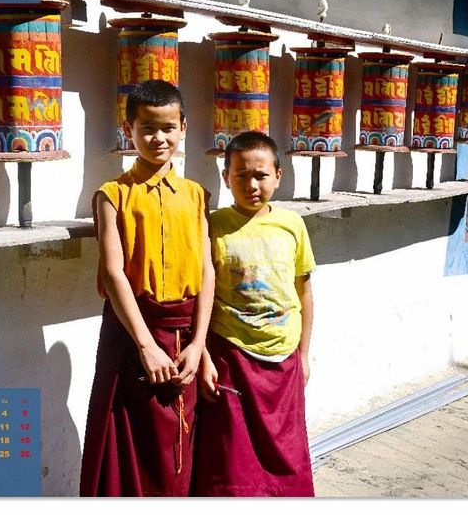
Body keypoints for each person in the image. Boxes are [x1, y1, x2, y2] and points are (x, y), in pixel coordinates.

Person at [79, 80, 214, 497]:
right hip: (133, 334)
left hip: (185, 338)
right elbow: (114, 273)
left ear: (183, 128)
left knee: (181, 446)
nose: (159, 138)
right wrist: (146, 346)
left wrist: (199, 344)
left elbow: (207, 271)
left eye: (168, 128)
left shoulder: (196, 196)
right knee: (130, 447)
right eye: (147, 128)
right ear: (128, 130)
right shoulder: (113, 195)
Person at [193, 131, 316, 497]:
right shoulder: (213, 227)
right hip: (231, 355)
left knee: (286, 452)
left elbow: (304, 292)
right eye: (241, 175)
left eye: (261, 175)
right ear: (225, 177)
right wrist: (204, 357)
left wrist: (304, 354)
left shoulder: (292, 225)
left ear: (278, 175)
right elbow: (200, 295)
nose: (251, 185)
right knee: (232, 455)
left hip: (283, 357)